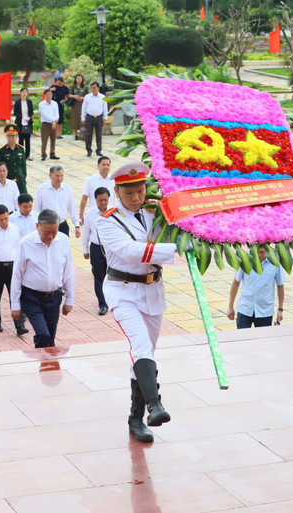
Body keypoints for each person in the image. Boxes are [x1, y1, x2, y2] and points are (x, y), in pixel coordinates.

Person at [96, 162, 181, 444]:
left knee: (145, 354)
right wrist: (175, 248)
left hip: (152, 289)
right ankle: (155, 405)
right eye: (129, 193)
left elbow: (175, 229)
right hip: (123, 291)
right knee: (140, 346)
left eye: (140, 191)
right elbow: (131, 251)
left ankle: (136, 417)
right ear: (117, 191)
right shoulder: (106, 221)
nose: (136, 198)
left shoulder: (154, 211)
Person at [10, 209, 74, 348]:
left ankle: (47, 367)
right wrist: (15, 305)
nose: (50, 236)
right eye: (46, 232)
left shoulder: (63, 240)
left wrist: (69, 299)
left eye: (54, 231)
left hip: (54, 297)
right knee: (43, 334)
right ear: (37, 226)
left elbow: (68, 271)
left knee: (50, 338)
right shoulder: (26, 243)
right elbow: (17, 275)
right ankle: (44, 362)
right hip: (32, 298)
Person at [0, 204, 28, 335]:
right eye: (0, 219)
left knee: (15, 295)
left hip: (12, 267)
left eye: (6, 218)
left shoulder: (15, 229)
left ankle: (19, 325)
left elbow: (19, 249)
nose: (4, 222)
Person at [227, 245, 285, 329]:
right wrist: (230, 307)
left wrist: (280, 309)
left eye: (262, 252)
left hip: (265, 311)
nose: (259, 255)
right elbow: (236, 283)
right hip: (245, 308)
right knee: (242, 339)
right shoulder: (245, 260)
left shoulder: (275, 263)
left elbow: (280, 286)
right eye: (257, 252)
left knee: (263, 340)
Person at [82, 187, 111, 315]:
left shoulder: (114, 212)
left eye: (105, 200)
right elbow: (86, 232)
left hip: (111, 248)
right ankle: (102, 303)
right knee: (99, 277)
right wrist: (85, 249)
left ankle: (112, 300)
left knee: (112, 276)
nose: (103, 203)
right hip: (96, 247)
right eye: (100, 200)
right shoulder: (90, 213)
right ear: (95, 200)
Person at [35, 166, 80, 237]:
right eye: (57, 176)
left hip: (62, 225)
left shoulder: (67, 189)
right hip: (47, 225)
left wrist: (77, 225)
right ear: (50, 175)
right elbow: (37, 208)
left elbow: (72, 208)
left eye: (61, 176)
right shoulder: (41, 189)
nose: (60, 179)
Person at [0, 125, 28, 194]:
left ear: (17, 136)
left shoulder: (21, 149)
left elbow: (23, 167)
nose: (11, 138)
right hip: (8, 181)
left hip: (20, 182)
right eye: (9, 136)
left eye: (13, 136)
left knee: (24, 200)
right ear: (6, 137)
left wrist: (23, 179)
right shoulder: (1, 151)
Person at [79, 155, 115, 222]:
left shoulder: (114, 180)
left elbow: (119, 197)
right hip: (94, 214)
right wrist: (81, 215)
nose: (106, 167)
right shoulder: (90, 180)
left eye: (108, 165)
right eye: (103, 165)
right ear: (98, 166)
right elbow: (84, 197)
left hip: (110, 214)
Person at [82, 81, 108, 157]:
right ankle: (89, 150)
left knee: (99, 135)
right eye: (92, 88)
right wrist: (83, 117)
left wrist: (105, 118)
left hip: (99, 117)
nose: (93, 89)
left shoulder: (102, 97)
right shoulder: (87, 97)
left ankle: (99, 150)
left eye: (94, 88)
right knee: (88, 135)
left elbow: (105, 108)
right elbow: (83, 108)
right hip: (89, 117)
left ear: (98, 88)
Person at [13, 88, 34, 161]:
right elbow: (15, 112)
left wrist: (29, 117)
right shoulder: (18, 102)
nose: (24, 93)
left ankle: (27, 155)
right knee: (21, 139)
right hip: (20, 122)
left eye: (25, 92)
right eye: (23, 92)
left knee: (28, 139)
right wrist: (21, 116)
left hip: (28, 122)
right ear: (20, 93)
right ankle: (21, 155)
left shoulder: (29, 102)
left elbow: (31, 112)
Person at [38, 89, 60, 161]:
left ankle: (52, 153)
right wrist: (53, 120)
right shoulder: (41, 104)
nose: (48, 96)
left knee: (53, 139)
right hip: (45, 124)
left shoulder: (54, 103)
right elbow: (44, 115)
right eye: (47, 94)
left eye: (50, 94)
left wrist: (55, 121)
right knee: (44, 140)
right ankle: (43, 154)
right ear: (44, 95)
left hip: (54, 123)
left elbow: (57, 114)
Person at [68, 74, 87, 139]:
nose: (79, 80)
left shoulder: (85, 87)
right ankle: (76, 134)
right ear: (75, 79)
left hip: (82, 104)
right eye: (77, 78)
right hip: (75, 104)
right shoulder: (73, 87)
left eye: (80, 78)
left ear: (82, 79)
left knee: (82, 118)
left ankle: (82, 134)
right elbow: (69, 95)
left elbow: (88, 96)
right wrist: (74, 96)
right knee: (75, 118)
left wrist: (82, 98)